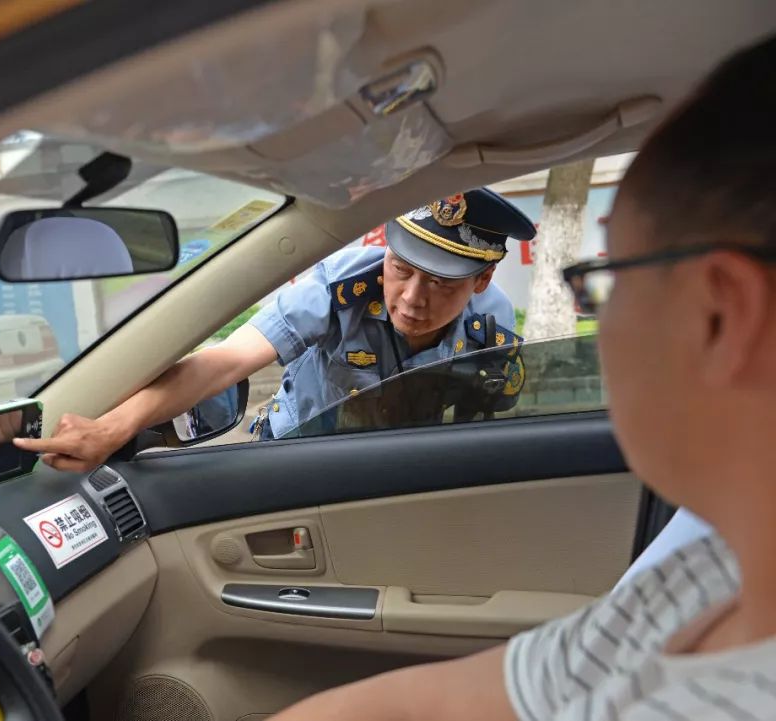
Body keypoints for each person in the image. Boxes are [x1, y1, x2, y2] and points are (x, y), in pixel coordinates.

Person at [263, 33, 776, 721]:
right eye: (403, 271)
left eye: (608, 281)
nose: (413, 297)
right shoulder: (713, 570)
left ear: (719, 314)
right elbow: (440, 701)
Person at [15, 187, 535, 469]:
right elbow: (225, 361)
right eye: (401, 269)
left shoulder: (491, 323)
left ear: (483, 278)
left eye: (442, 284)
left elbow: (479, 426)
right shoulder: (341, 285)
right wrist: (111, 429)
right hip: (295, 455)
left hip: (400, 465)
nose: (413, 299)